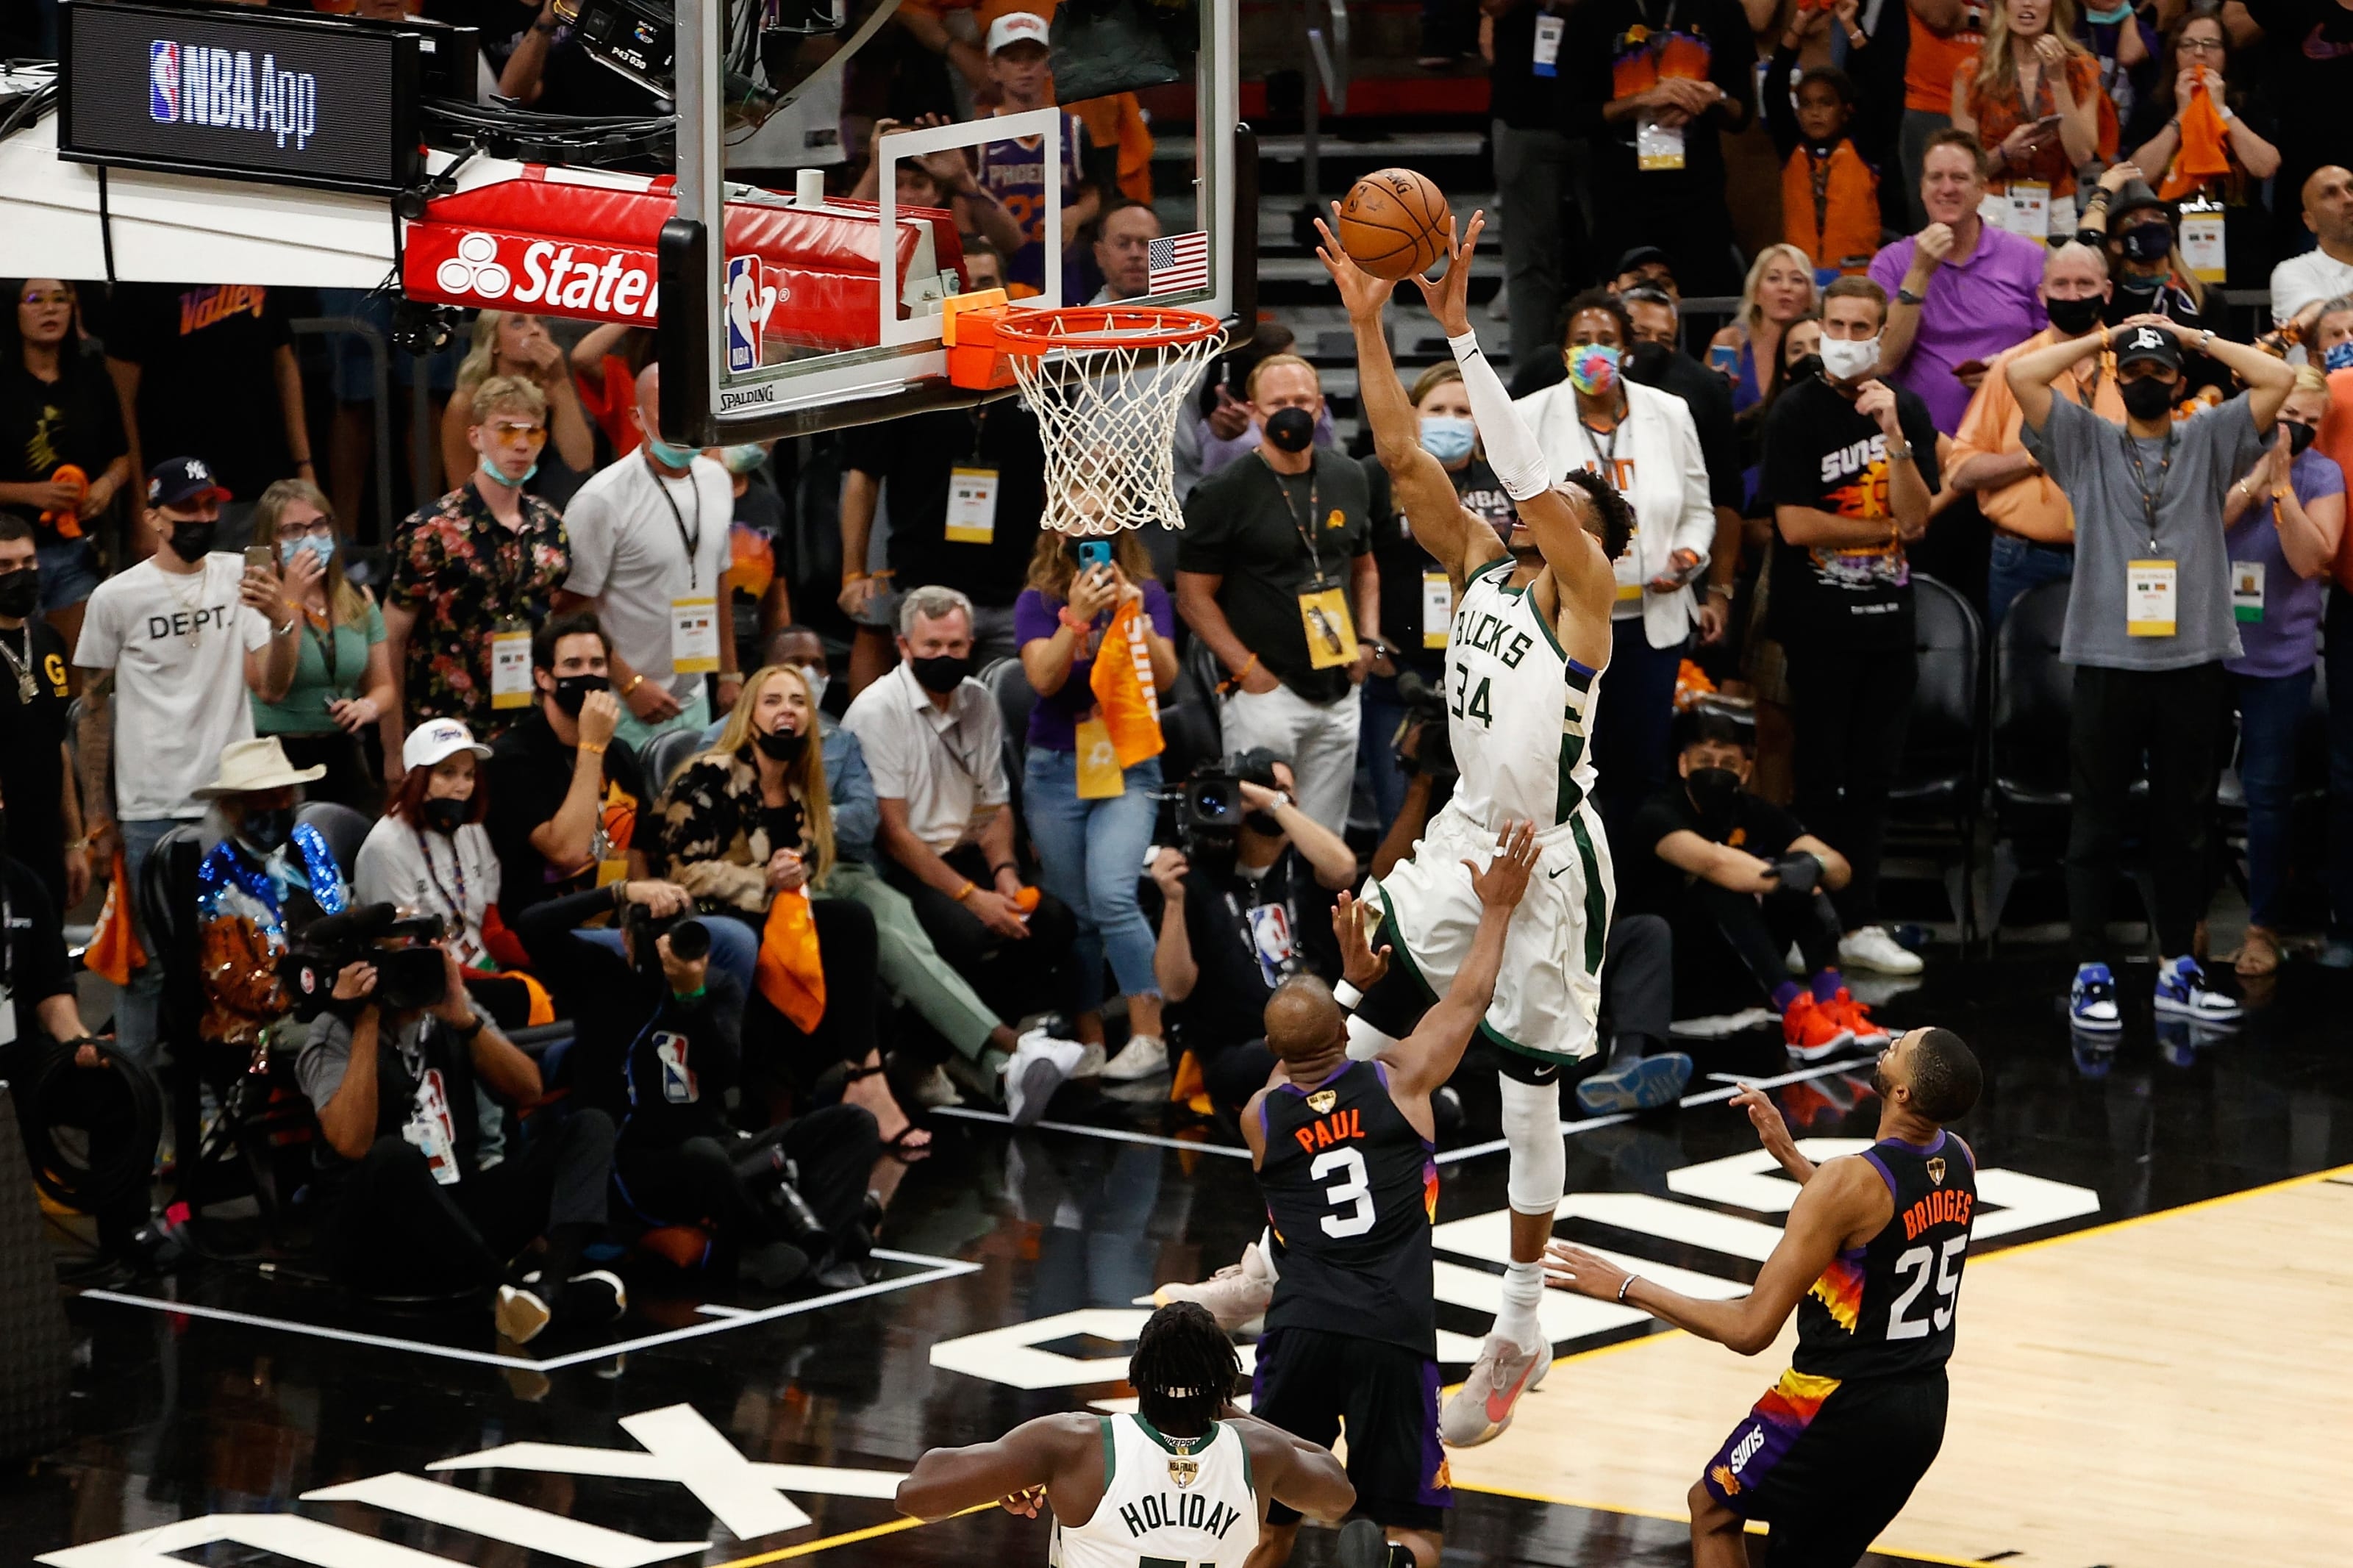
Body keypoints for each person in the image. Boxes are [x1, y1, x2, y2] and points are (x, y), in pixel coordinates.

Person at [1315, 213, 1633, 1450]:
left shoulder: (1590, 604)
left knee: (1529, 1104)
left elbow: (1539, 486)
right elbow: (1404, 461)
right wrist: (1365, 327)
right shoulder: (1479, 566)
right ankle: (1282, 1239)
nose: (1528, 511)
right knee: (1352, 1016)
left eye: (1562, 516)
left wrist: (1458, 321)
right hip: (1462, 832)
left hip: (1547, 862)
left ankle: (1517, 1323)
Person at [1544, 1028, 1985, 1568]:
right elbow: (1877, 1232)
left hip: (1834, 1402)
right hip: (1921, 1410)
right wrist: (1794, 1160)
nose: (1890, 1043)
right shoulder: (1961, 1161)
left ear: (1902, 1095)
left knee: (1713, 1508)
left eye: (1902, 1047)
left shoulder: (1847, 1181)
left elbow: (1751, 1328)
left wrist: (1624, 1284)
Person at [1236, 826, 1538, 1568]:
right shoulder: (1399, 1082)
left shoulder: (1259, 1117)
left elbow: (1295, 1059)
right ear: (1347, 1032)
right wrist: (1496, 907)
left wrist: (1344, 987)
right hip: (1390, 1333)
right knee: (1411, 1530)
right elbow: (1468, 998)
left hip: (1299, 1329)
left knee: (1269, 1527)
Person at [2008, 315, 2296, 1029]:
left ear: (2175, 380)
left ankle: (2176, 967)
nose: (2144, 381)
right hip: (2106, 659)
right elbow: (2019, 376)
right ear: (2115, 377)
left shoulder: (2206, 437)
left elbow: (2277, 379)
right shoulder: (2083, 440)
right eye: (2132, 372)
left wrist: (2188, 338)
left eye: (2156, 371)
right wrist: (2108, 340)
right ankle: (2089, 971)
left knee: (2184, 826)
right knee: (2094, 825)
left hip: (2190, 659)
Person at [514, 874, 886, 1287]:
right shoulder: (597, 978)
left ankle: (814, 1254)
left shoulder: (717, 988)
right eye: (651, 933)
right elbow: (531, 924)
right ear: (626, 938)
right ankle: (789, 1238)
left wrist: (690, 998)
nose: (664, 946)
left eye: (677, 935)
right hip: (637, 1168)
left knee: (855, 1123)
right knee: (702, 1155)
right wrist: (622, 891)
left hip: (722, 1153)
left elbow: (726, 1074)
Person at [76, 457, 304, 1064]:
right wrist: (99, 821)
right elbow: (93, 711)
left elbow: (275, 686)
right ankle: (139, 1123)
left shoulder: (239, 575)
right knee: (144, 971)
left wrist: (285, 620)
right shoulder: (114, 597)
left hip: (234, 805)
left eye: (210, 506)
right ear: (154, 517)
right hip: (151, 809)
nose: (204, 518)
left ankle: (220, 1108)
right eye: (188, 508)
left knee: (242, 956)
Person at [298, 929, 624, 1344]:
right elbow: (351, 1143)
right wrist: (366, 1021)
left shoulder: (449, 1012)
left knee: (590, 1126)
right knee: (391, 1155)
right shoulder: (333, 1031)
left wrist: (466, 1021)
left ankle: (549, 1291)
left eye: (419, 963)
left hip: (458, 1221)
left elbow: (530, 1090)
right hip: (374, 1243)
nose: (411, 978)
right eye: (398, 968)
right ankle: (510, 1288)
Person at [652, 664, 919, 1153]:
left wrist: (796, 870)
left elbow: (811, 858)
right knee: (824, 950)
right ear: (749, 714)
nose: (787, 711)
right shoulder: (707, 774)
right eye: (773, 700)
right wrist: (762, 878)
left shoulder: (801, 785)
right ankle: (836, 1091)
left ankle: (863, 1080)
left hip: (769, 920)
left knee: (858, 942)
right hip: (706, 921)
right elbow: (679, 870)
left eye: (797, 702)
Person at [840, 585, 1083, 1121]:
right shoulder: (877, 710)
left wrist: (1003, 874)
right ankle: (965, 1059)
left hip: (971, 851)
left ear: (971, 643)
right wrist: (973, 899)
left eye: (955, 645)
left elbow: (995, 806)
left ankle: (927, 1055)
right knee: (968, 932)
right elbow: (893, 833)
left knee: (1050, 921)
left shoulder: (979, 699)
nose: (944, 657)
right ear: (903, 645)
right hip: (905, 865)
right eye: (932, 646)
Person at [1761, 277, 1941, 977]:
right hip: (1817, 628)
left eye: (1856, 327)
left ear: (1879, 336)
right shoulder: (1795, 413)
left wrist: (1893, 435)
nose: (1840, 339)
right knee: (1818, 780)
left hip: (1888, 627)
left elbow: (1919, 517)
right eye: (1831, 325)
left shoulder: (1909, 411)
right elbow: (1796, 525)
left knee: (1873, 780)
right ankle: (1815, 927)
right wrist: (1881, 527)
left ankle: (1863, 920)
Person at [893, 1301, 1359, 1567]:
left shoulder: (1072, 1444)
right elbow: (1337, 1495)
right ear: (1223, 1385)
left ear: (1136, 1374)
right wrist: (1227, 1408)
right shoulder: (1259, 1452)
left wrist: (1009, 1473)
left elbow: (915, 1496)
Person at [1518, 289, 1715, 829]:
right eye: (1582, 341)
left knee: (1640, 773)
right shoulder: (1527, 416)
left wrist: (1690, 554)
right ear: (1563, 353)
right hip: (1564, 627)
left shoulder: (1670, 413)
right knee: (1570, 768)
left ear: (1626, 349)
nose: (1594, 350)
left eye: (1606, 340)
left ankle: (1633, 896)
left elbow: (1699, 508)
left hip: (1651, 627)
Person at [1176, 354, 1377, 836]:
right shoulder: (1222, 491)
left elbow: (1365, 569)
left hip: (1338, 682)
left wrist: (1369, 641)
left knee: (1324, 837)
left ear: (1321, 406)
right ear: (1254, 410)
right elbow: (1191, 596)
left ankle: (1316, 913)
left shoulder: (1348, 476)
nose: (1291, 410)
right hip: (1264, 690)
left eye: (1302, 401)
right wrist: (1247, 669)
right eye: (1279, 402)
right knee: (1259, 834)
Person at [1623, 709, 1885, 1056]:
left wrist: (1811, 866)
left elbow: (1839, 869)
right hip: (1672, 973)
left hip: (1737, 971)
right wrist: (1793, 879)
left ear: (1746, 770)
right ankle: (1793, 1009)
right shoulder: (1657, 814)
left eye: (1728, 762)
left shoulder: (1754, 811)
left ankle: (1830, 1002)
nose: (1716, 770)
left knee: (1800, 869)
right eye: (1705, 760)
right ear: (1683, 765)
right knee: (1732, 882)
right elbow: (1716, 863)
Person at [1015, 530, 1179, 1081]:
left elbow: (1165, 677)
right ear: (1057, 534)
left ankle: (1148, 1036)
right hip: (1056, 767)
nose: (1091, 535)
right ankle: (1089, 1040)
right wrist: (1077, 617)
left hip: (1129, 761)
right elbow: (1043, 677)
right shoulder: (1038, 601)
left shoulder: (1148, 593)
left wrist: (1135, 616)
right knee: (1075, 913)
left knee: (1112, 892)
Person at [1141, 749, 1360, 1115]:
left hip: (1328, 1032)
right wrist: (1175, 903)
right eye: (1260, 793)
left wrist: (1270, 801)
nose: (1276, 800)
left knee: (1356, 1041)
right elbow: (1176, 988)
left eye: (1285, 793)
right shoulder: (1195, 879)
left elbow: (1344, 870)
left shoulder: (1307, 862)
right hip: (1242, 1049)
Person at [2219, 368, 2342, 977]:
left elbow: (2311, 558)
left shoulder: (2324, 475)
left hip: (2281, 661)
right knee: (2185, 790)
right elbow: (2199, 528)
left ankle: (2262, 927)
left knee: (2269, 796)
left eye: (2311, 419)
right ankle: (2182, 919)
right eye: (2289, 410)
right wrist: (2253, 478)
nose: (2298, 425)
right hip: (2207, 651)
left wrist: (2283, 487)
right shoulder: (2220, 451)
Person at [1361, 362, 1517, 831]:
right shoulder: (1375, 477)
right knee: (1401, 816)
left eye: (1463, 411)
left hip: (1480, 671)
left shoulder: (1507, 481)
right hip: (1400, 675)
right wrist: (1371, 641)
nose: (1451, 419)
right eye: (1438, 409)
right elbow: (1356, 564)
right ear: (1413, 415)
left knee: (1481, 820)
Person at [385, 375, 571, 760]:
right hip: (447, 731)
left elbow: (556, 620)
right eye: (505, 431)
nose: (521, 445)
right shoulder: (431, 530)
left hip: (530, 723)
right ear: (475, 437)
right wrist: (392, 747)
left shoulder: (550, 526)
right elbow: (392, 638)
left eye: (533, 432)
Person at [553, 365, 739, 752]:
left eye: (691, 408)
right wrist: (630, 684)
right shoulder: (601, 500)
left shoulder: (716, 478)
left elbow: (719, 578)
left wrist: (729, 674)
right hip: (622, 703)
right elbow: (570, 611)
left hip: (695, 695)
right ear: (636, 417)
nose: (684, 422)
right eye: (667, 411)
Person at [1949, 242, 2127, 626]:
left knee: (2114, 682)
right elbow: (1961, 471)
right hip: (2024, 560)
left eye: (2085, 283)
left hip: (2118, 553)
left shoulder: (2136, 364)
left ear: (2107, 292)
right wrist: (2037, 456)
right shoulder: (2013, 368)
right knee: (2020, 682)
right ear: (2041, 295)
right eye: (2061, 285)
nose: (2074, 295)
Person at [838, 379, 1049, 696]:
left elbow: (1058, 476)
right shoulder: (911, 379)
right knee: (921, 712)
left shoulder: (1037, 372)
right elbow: (863, 476)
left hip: (1015, 588)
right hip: (925, 585)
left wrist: (1052, 575)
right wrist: (852, 574)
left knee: (1003, 718)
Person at [103, 282, 314, 546]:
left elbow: (284, 363)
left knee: (268, 587)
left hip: (264, 487)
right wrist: (139, 507)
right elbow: (121, 397)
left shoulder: (257, 258)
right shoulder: (143, 276)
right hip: (179, 495)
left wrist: (304, 467)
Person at [1570, 0, 1757, 298]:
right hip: (1620, 198)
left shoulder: (1723, 8)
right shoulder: (1592, 11)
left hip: (1699, 198)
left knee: (1702, 306)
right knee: (1627, 311)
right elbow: (1571, 115)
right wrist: (1641, 102)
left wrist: (1712, 97)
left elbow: (1742, 112)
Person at [1871, 130, 2050, 435]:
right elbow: (1884, 361)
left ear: (1982, 189)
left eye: (1959, 178)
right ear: (1922, 189)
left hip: (2012, 433)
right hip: (1923, 441)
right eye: (1935, 177)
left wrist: (2010, 369)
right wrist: (1920, 272)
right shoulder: (1890, 263)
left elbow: (2057, 345)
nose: (1947, 188)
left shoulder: (2028, 257)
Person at [485, 613, 651, 926]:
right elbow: (566, 851)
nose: (588, 675)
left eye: (597, 664)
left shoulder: (620, 753)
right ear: (544, 677)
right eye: (573, 665)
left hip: (620, 920)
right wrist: (591, 747)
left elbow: (636, 854)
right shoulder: (511, 757)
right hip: (550, 926)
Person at [189, 738, 349, 1051]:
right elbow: (238, 985)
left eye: (283, 795)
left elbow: (344, 913)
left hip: (337, 993)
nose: (277, 807)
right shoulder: (215, 876)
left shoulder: (309, 842)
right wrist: (325, 992)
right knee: (349, 1038)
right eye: (261, 800)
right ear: (229, 808)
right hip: (262, 1024)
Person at [247, 481, 393, 809]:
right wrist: (292, 602)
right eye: (293, 531)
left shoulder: (357, 596)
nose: (310, 538)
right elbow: (272, 688)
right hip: (277, 758)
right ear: (271, 543)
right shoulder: (255, 602)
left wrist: (366, 707)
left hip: (342, 754)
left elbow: (384, 687)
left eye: (318, 525)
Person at [0, 278, 126, 657]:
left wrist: (105, 486)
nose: (50, 309)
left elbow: (122, 456)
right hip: (8, 555)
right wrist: (30, 493)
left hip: (78, 550)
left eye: (60, 299)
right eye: (36, 299)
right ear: (14, 310)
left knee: (78, 669)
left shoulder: (92, 376)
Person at [2127, 6, 2279, 291]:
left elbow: (2265, 165)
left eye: (2211, 45)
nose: (2199, 53)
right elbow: (2138, 174)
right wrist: (2182, 115)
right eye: (2189, 44)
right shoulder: (2154, 109)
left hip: (2241, 251)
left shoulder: (2247, 106)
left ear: (2226, 54)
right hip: (2170, 251)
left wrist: (2222, 110)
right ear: (2175, 53)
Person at [1488, 0, 1595, 379]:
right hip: (1524, 114)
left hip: (1605, 112)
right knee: (1530, 264)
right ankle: (1530, 383)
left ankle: (1609, 372)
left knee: (1610, 256)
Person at [1949, 0, 2113, 240]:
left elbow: (2082, 156)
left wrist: (2058, 81)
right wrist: (2006, 152)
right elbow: (1963, 171)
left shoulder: (2081, 70)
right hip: (1994, 207)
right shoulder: (1973, 73)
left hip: (2057, 208)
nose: (2027, 3)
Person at [968, 12, 1100, 300]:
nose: (1025, 67)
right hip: (1002, 267)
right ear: (993, 68)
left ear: (1049, 65)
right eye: (1014, 58)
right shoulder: (977, 135)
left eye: (1034, 57)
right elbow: (961, 202)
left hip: (1063, 265)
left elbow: (1097, 193)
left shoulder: (1074, 130)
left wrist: (1076, 214)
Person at [0, 517, 83, 912]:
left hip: (45, 843)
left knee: (48, 969)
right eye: (5, 566)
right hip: (4, 842)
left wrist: (74, 841)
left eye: (28, 562)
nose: (21, 575)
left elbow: (58, 745)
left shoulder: (49, 640)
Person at [438, 312, 596, 511]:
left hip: (540, 511)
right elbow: (460, 487)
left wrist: (561, 382)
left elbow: (581, 461)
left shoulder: (550, 389)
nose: (534, 330)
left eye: (540, 322)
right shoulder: (466, 403)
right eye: (518, 323)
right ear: (494, 343)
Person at [1765, 8, 1880, 281]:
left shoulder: (1865, 146)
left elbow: (1878, 87)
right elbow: (1774, 88)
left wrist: (1850, 25)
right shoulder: (1792, 148)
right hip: (1800, 278)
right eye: (1806, 104)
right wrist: (1799, 25)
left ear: (1846, 109)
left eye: (1826, 103)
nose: (1815, 112)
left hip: (1857, 276)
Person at [850, 114, 1029, 266]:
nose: (907, 195)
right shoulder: (868, 243)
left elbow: (1013, 243)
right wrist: (874, 170)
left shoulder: (954, 245)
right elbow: (835, 243)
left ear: (938, 194)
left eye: (919, 185)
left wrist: (962, 178)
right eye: (896, 185)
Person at [1896, 0, 1989, 228]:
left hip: (2002, 105)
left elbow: (2029, 18)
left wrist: (1966, 15)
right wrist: (1985, 18)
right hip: (1933, 107)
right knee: (1936, 226)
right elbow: (1941, 16)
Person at [1709, 248, 1821, 415]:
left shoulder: (1821, 344)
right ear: (1756, 293)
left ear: (1808, 297)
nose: (1785, 287)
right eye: (1774, 278)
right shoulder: (1730, 343)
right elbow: (1710, 409)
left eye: (1797, 280)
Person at [2271, 167, 2353, 332]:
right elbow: (2323, 327)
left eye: (2351, 188)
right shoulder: (2292, 272)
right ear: (2310, 221)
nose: (2348, 199)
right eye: (2330, 193)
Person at [1088, 204, 1162, 304]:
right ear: (1100, 254)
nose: (1135, 254)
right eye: (1123, 244)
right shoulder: (1086, 319)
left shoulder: (1185, 314)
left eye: (1145, 243)